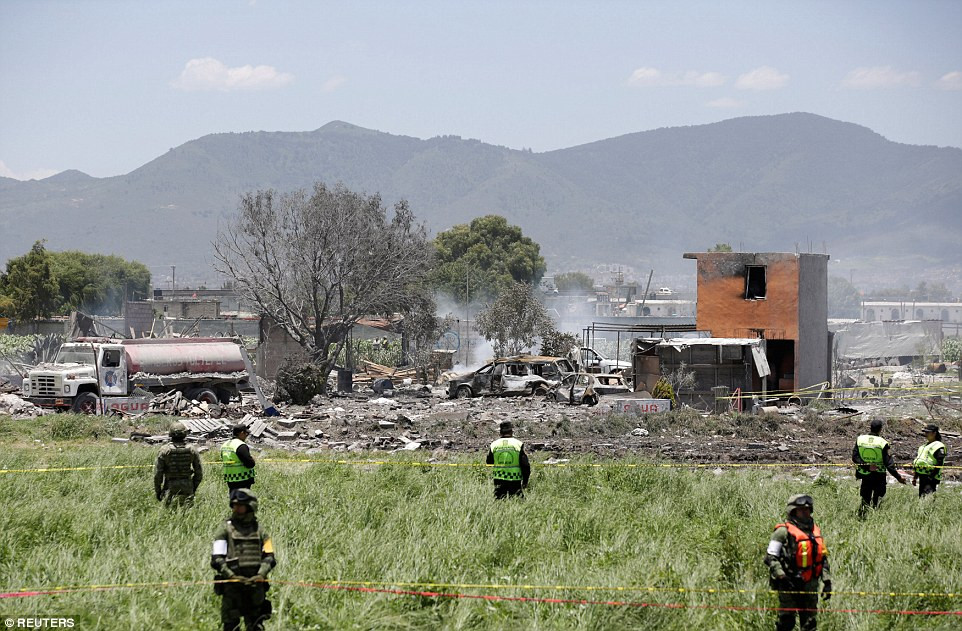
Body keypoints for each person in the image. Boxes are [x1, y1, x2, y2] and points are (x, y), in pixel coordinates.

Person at [764, 494, 832, 631]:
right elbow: (770, 557)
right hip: (788, 584)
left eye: (808, 509)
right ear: (793, 511)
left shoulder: (815, 531)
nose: (805, 512)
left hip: (810, 585)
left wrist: (827, 581)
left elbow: (822, 558)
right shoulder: (782, 532)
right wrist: (781, 576)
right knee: (786, 622)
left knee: (810, 624)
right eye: (802, 510)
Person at [211, 489, 276, 631]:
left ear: (251, 506)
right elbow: (216, 559)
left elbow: (270, 557)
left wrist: (260, 575)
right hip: (232, 588)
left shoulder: (260, 530)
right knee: (231, 626)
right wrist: (231, 576)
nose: (236, 508)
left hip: (256, 587)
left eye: (241, 505)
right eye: (234, 505)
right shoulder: (225, 529)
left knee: (256, 625)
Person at [852, 419, 906, 516]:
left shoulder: (860, 439)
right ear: (880, 429)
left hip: (865, 474)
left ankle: (863, 516)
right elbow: (888, 463)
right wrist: (898, 477)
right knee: (877, 499)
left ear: (870, 427)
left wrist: (867, 467)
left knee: (865, 499)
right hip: (879, 475)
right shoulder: (882, 442)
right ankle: (874, 516)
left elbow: (855, 457)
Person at [153, 421, 203, 505]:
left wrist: (158, 491)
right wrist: (193, 488)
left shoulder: (164, 450)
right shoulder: (192, 449)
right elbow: (199, 473)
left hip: (170, 485)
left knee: (168, 513)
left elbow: (158, 474)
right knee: (188, 513)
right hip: (187, 485)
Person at [486, 421, 530, 499]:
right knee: (519, 503)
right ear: (511, 431)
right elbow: (525, 465)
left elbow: (489, 462)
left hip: (499, 479)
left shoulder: (494, 444)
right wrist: (525, 481)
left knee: (499, 503)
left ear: (500, 432)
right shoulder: (518, 444)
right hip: (514, 479)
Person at [912, 423, 946, 498]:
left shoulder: (939, 446)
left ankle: (929, 509)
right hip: (922, 475)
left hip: (931, 476)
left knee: (928, 498)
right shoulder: (923, 446)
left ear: (934, 433)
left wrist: (932, 476)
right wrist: (915, 477)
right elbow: (920, 461)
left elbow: (940, 462)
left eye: (927, 432)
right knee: (922, 497)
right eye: (925, 432)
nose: (925, 434)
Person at [221, 424, 256, 493]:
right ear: (241, 433)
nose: (247, 436)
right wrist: (253, 460)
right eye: (246, 433)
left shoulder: (225, 444)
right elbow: (250, 464)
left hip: (230, 479)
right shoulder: (240, 445)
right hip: (242, 478)